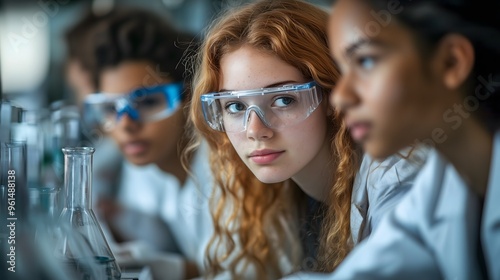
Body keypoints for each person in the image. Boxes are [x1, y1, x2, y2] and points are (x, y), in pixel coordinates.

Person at [188, 0, 428, 278]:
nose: (255, 130)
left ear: (331, 95)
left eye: (283, 99)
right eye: (235, 106)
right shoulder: (263, 195)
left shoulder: (395, 174)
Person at [285, 0, 500, 279]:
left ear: (452, 62)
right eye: (342, 69)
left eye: (366, 60)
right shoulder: (440, 187)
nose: (339, 97)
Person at [83, 7, 213, 280]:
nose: (127, 124)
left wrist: (171, 269)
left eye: (147, 102)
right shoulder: (154, 169)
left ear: (188, 98)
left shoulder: (224, 173)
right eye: (110, 108)